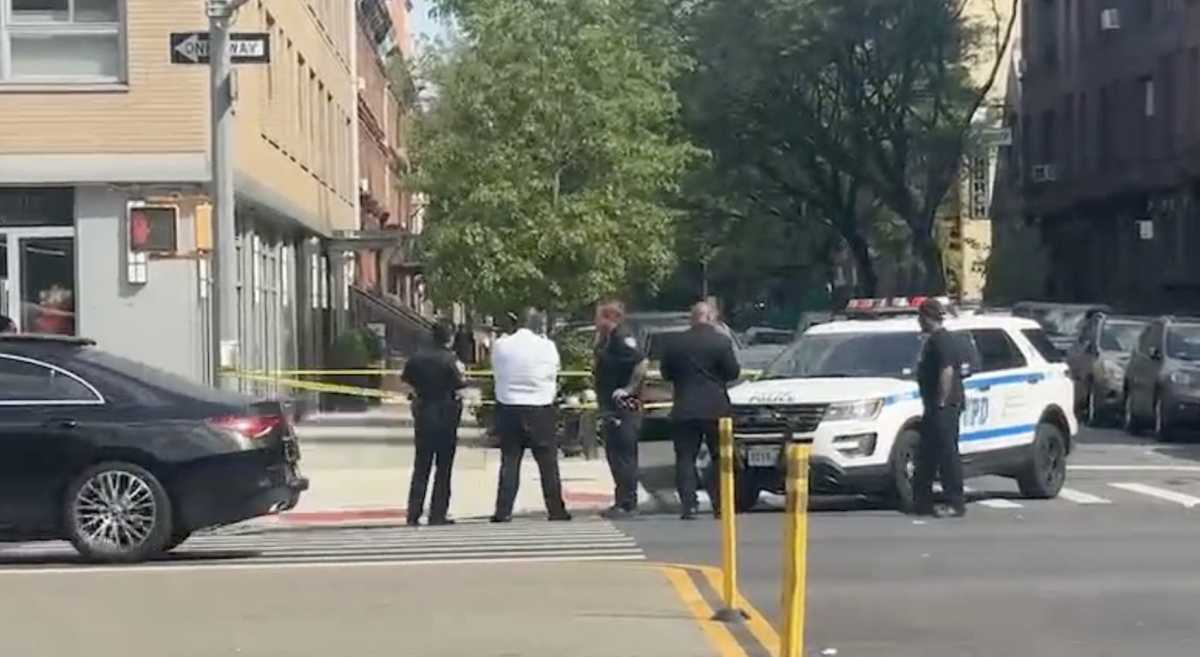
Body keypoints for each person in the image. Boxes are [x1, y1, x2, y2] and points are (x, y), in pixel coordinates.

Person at [661, 302, 741, 520]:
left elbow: (666, 373)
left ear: (692, 317)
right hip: (716, 407)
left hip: (685, 407)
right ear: (711, 317)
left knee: (685, 458)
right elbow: (733, 372)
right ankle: (720, 504)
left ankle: (689, 505)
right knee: (719, 457)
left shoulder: (675, 343)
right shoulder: (721, 341)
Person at [490, 308, 571, 522]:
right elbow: (553, 372)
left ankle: (503, 510)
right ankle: (556, 509)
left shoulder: (501, 345)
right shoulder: (547, 347)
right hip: (540, 406)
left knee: (510, 461)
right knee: (547, 463)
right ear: (538, 325)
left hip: (509, 406)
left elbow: (497, 370)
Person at [401, 319, 468, 526]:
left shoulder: (416, 358)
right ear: (449, 338)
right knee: (443, 468)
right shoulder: (451, 360)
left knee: (421, 467)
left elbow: (406, 383)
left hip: (423, 415)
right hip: (446, 416)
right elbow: (460, 386)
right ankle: (438, 513)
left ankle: (413, 512)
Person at [593, 299, 648, 520]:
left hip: (624, 408)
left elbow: (641, 363)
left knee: (624, 456)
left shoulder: (622, 338)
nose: (595, 322)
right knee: (614, 456)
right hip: (610, 407)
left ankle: (628, 502)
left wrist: (628, 389)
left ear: (610, 318)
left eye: (598, 317)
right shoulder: (607, 340)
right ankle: (621, 499)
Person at [913, 298, 967, 518]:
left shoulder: (941, 341)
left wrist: (942, 400)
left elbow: (947, 371)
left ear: (927, 317)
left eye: (920, 317)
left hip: (944, 407)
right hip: (934, 406)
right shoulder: (934, 340)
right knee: (927, 454)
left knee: (947, 455)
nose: (918, 321)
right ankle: (922, 502)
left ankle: (955, 502)